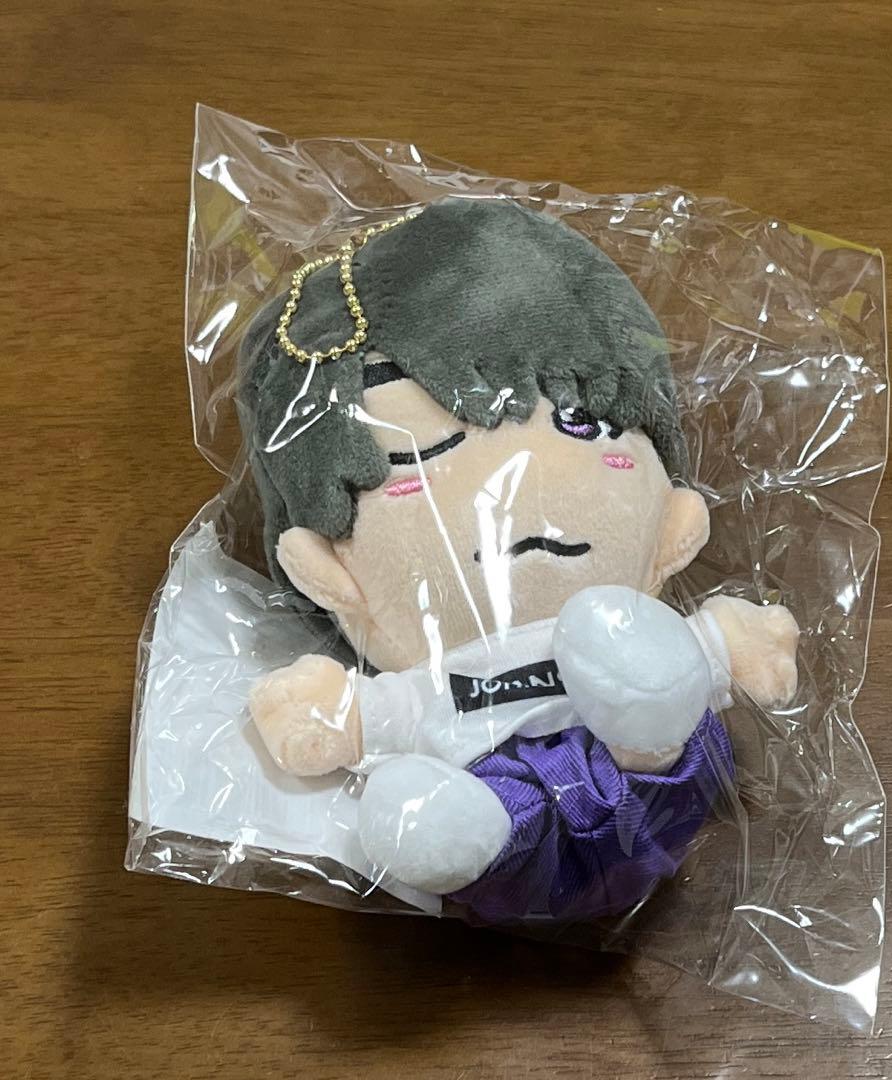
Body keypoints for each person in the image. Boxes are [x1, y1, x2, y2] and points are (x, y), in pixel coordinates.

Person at [237, 198, 798, 922]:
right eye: (422, 456)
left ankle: (650, 715)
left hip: (656, 779)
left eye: (579, 424)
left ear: (673, 521)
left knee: (642, 672)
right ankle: (456, 835)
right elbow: (374, 716)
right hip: (503, 818)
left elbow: (723, 653)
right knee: (444, 819)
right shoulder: (428, 684)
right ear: (325, 570)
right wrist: (333, 715)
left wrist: (730, 646)